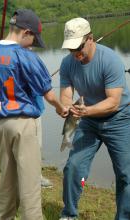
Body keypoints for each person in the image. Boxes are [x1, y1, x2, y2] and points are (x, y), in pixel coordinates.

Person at [0, 9, 68, 220]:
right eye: (33, 39)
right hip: (22, 124)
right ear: (26, 32)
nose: (32, 45)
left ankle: (3, 217)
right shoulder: (25, 56)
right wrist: (61, 108)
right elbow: (48, 95)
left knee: (7, 181)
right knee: (30, 185)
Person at [59, 17, 130, 220]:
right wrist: (66, 107)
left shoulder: (111, 60)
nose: (75, 55)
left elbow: (113, 101)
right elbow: (66, 94)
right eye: (70, 50)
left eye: (78, 48)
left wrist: (85, 111)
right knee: (73, 167)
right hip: (88, 122)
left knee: (126, 174)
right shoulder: (68, 63)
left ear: (90, 39)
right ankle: (69, 214)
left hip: (119, 119)